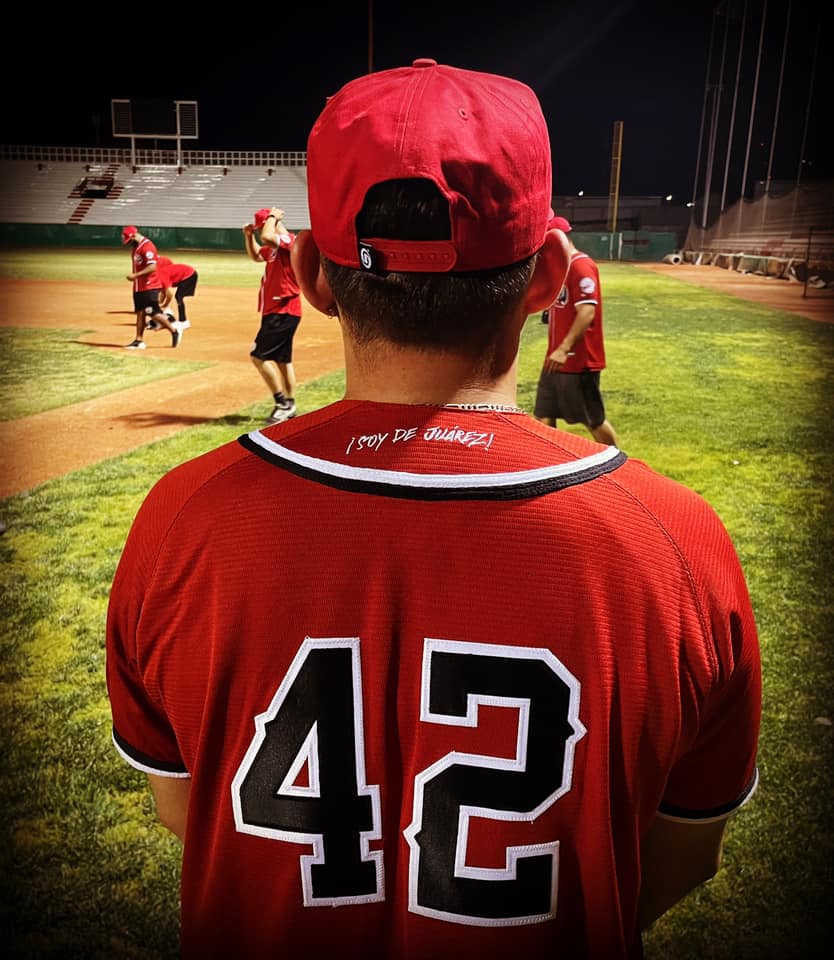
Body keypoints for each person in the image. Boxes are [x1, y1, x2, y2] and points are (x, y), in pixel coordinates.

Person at [106, 59, 761, 959]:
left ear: (312, 276)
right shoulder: (675, 541)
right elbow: (678, 858)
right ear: (546, 282)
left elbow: (189, 813)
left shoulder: (183, 518)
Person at [534, 216, 617, 445]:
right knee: (544, 417)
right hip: (555, 360)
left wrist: (563, 348)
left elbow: (587, 312)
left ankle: (618, 462)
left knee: (594, 420)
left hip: (578, 361)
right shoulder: (560, 268)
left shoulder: (581, 266)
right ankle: (550, 468)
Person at [242, 206, 302, 423]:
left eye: (261, 227)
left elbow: (268, 236)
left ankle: (282, 403)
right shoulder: (277, 246)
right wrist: (248, 237)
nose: (260, 231)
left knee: (258, 356)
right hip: (278, 310)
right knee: (283, 360)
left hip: (282, 309)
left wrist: (273, 218)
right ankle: (291, 405)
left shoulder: (288, 240)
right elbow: (257, 256)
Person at [121, 225, 184, 349]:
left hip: (149, 286)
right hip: (139, 286)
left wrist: (136, 275)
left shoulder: (147, 247)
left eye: (129, 241)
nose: (128, 244)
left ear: (134, 235)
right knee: (140, 313)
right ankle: (139, 341)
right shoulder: (137, 247)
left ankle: (174, 329)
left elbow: (152, 267)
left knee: (151, 312)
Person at [156, 255, 199, 329]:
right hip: (187, 273)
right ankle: (182, 320)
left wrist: (165, 305)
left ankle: (184, 321)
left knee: (178, 296)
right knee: (179, 296)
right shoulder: (158, 277)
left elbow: (169, 295)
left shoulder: (160, 276)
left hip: (189, 274)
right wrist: (159, 304)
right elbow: (163, 292)